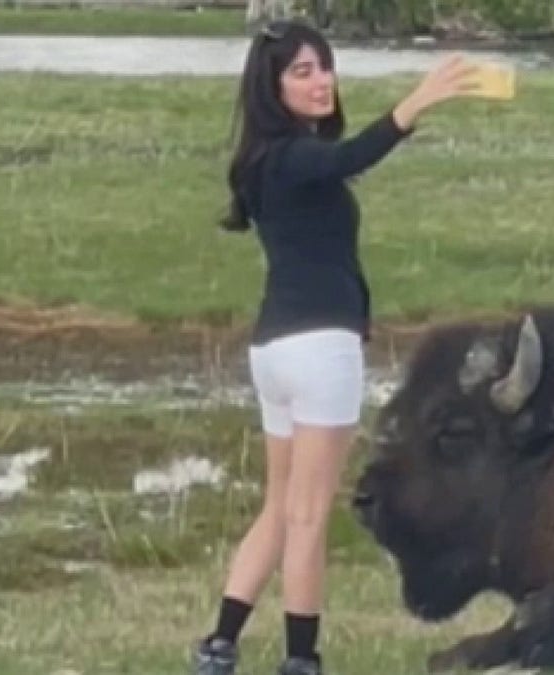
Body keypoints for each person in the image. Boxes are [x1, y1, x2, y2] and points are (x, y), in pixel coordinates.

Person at [192, 19, 479, 675]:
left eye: (324, 66)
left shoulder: (263, 162)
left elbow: (335, 161)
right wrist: (416, 103)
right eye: (302, 71)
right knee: (307, 515)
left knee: (281, 504)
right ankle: (301, 659)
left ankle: (220, 645)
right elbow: (349, 157)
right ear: (272, 87)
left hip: (275, 352)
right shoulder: (293, 159)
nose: (321, 81)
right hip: (320, 352)